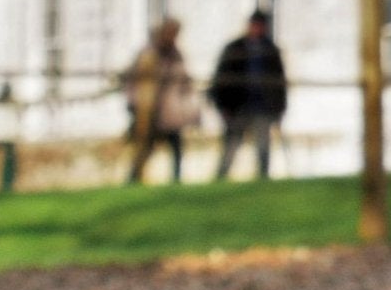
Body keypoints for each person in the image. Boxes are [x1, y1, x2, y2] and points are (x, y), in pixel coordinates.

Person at [209, 10, 289, 179]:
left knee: (263, 145)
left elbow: (279, 81)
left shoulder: (270, 50)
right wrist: (222, 105)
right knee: (231, 144)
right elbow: (222, 78)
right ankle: (221, 176)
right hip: (238, 105)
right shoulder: (235, 48)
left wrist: (280, 107)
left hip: (263, 106)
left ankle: (263, 177)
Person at [123, 19, 195, 184]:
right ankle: (133, 179)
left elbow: (184, 80)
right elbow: (132, 81)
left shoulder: (176, 55)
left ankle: (176, 180)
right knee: (145, 148)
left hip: (170, 112)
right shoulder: (148, 54)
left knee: (176, 146)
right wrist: (134, 103)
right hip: (150, 111)